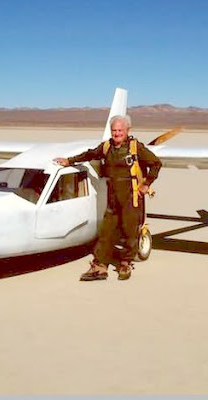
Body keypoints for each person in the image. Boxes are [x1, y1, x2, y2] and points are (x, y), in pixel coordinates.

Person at [54, 114, 162, 281]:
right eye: (114, 130)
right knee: (107, 231)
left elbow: (156, 163)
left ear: (127, 131)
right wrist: (70, 161)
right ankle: (100, 266)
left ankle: (125, 263)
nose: (117, 133)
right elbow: (90, 154)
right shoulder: (106, 147)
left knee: (130, 231)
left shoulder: (136, 148)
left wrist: (146, 184)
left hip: (131, 197)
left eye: (120, 130)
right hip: (113, 197)